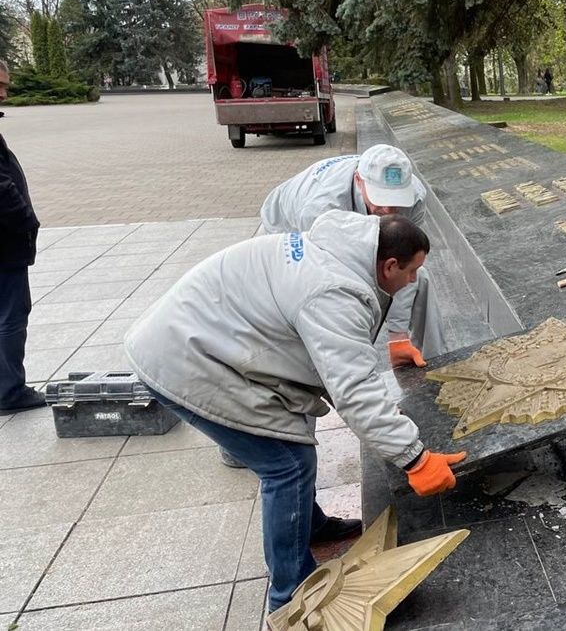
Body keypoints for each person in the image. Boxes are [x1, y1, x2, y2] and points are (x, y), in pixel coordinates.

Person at [124, 211, 466, 612]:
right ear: (389, 264)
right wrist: (415, 458)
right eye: (411, 272)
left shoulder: (341, 248)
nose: (412, 281)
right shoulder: (334, 292)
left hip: (205, 337)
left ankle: (309, 525)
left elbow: (342, 370)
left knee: (291, 441)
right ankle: (291, 596)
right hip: (187, 360)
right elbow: (353, 390)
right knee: (287, 464)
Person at [260, 144, 444, 366]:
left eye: (396, 200)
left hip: (337, 217)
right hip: (287, 232)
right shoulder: (321, 206)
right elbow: (332, 289)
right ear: (359, 181)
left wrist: (397, 335)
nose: (389, 210)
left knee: (419, 276)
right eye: (381, 198)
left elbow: (405, 264)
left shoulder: (414, 197)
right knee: (322, 299)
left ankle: (437, 362)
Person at [0, 58, 47, 414]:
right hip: (5, 243)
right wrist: (25, 219)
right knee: (11, 316)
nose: (4, 94)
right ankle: (9, 392)